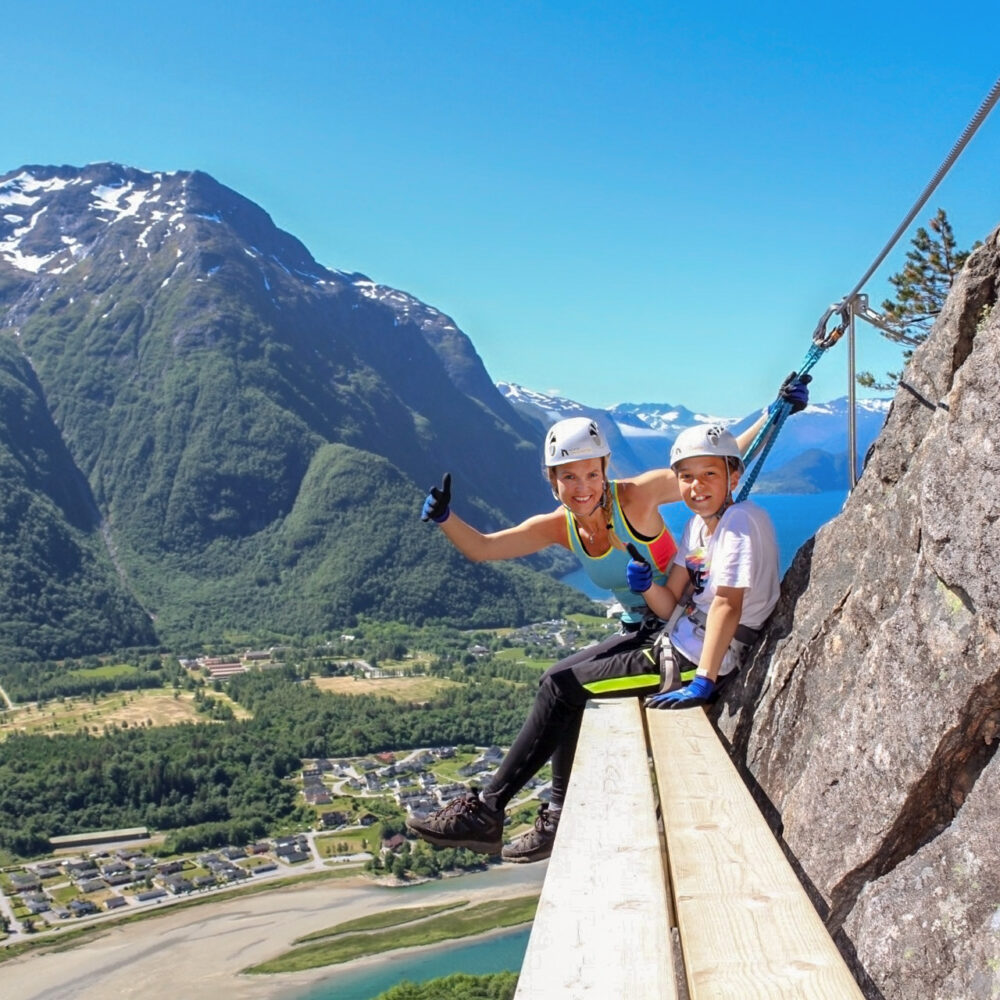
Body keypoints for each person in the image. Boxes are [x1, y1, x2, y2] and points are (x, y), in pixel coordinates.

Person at [407, 378, 807, 862]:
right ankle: (536, 816)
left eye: (591, 474)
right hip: (654, 626)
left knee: (560, 687)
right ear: (552, 480)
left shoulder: (637, 497)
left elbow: (713, 463)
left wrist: (775, 412)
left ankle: (495, 812)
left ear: (605, 471)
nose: (582, 488)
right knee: (558, 684)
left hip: (672, 630)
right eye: (568, 477)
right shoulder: (559, 526)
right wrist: (446, 518)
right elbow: (484, 549)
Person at [626, 423, 780, 709]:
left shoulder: (739, 520)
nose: (697, 485)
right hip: (684, 639)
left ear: (733, 479)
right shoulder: (696, 527)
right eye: (687, 476)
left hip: (704, 657)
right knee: (564, 676)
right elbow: (671, 603)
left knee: (561, 685)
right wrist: (646, 587)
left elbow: (727, 603)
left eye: (709, 474)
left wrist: (703, 682)